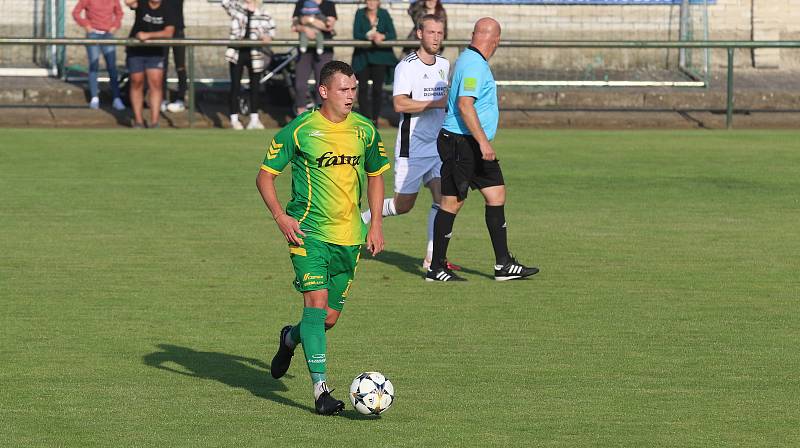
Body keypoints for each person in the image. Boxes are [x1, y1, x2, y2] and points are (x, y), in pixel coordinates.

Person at [258, 61, 390, 415]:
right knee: (315, 305)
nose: (351, 95)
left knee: (328, 318)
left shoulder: (364, 130)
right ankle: (321, 391)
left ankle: (289, 339)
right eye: (344, 89)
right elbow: (265, 176)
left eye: (354, 89)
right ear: (324, 91)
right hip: (308, 233)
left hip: (349, 237)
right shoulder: (300, 130)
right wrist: (280, 216)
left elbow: (376, 175)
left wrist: (375, 223)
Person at [427, 18, 539, 282]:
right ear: (496, 40)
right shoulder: (474, 65)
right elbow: (465, 105)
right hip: (461, 142)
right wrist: (484, 142)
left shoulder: (470, 60)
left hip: (471, 142)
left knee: (496, 194)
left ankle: (503, 264)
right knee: (452, 202)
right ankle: (436, 268)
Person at [360, 14, 457, 270]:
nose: (436, 37)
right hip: (411, 147)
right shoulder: (407, 66)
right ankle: (365, 217)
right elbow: (399, 103)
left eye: (440, 33)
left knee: (444, 198)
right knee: (404, 206)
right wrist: (435, 103)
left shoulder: (445, 65)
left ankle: (432, 258)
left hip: (438, 146)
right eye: (431, 32)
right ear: (419, 34)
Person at [222, 0, 276, 130]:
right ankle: (234, 118)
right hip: (237, 51)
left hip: (255, 52)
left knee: (255, 86)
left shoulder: (264, 12)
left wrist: (267, 37)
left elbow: (271, 30)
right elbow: (225, 3)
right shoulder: (237, 8)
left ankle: (254, 118)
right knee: (235, 85)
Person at [124, 0, 176, 128]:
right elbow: (128, 2)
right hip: (136, 50)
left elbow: (169, 32)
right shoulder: (141, 3)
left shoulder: (168, 8)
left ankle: (154, 121)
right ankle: (138, 120)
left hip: (155, 51)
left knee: (155, 83)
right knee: (136, 81)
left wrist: (148, 36)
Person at [71, 0, 126, 111]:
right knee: (94, 64)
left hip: (108, 34)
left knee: (111, 66)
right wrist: (86, 25)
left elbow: (119, 13)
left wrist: (115, 26)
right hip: (93, 34)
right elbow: (76, 12)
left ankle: (116, 98)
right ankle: (94, 97)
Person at [351, 0, 397, 127]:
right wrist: (368, 36)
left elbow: (392, 34)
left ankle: (375, 119)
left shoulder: (384, 14)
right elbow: (356, 34)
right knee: (363, 89)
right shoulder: (360, 13)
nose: (371, 2)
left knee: (377, 89)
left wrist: (382, 36)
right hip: (363, 56)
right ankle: (365, 119)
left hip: (380, 56)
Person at [291, 0, 337, 117]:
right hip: (305, 50)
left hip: (324, 50)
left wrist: (309, 20)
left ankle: (321, 117)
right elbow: (294, 26)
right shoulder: (301, 3)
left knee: (322, 85)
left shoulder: (329, 5)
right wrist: (305, 29)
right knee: (300, 84)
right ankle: (300, 116)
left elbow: (329, 26)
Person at [162, 0, 187, 113]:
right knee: (162, 66)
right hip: (162, 30)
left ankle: (181, 98)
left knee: (180, 66)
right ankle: (162, 98)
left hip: (177, 29)